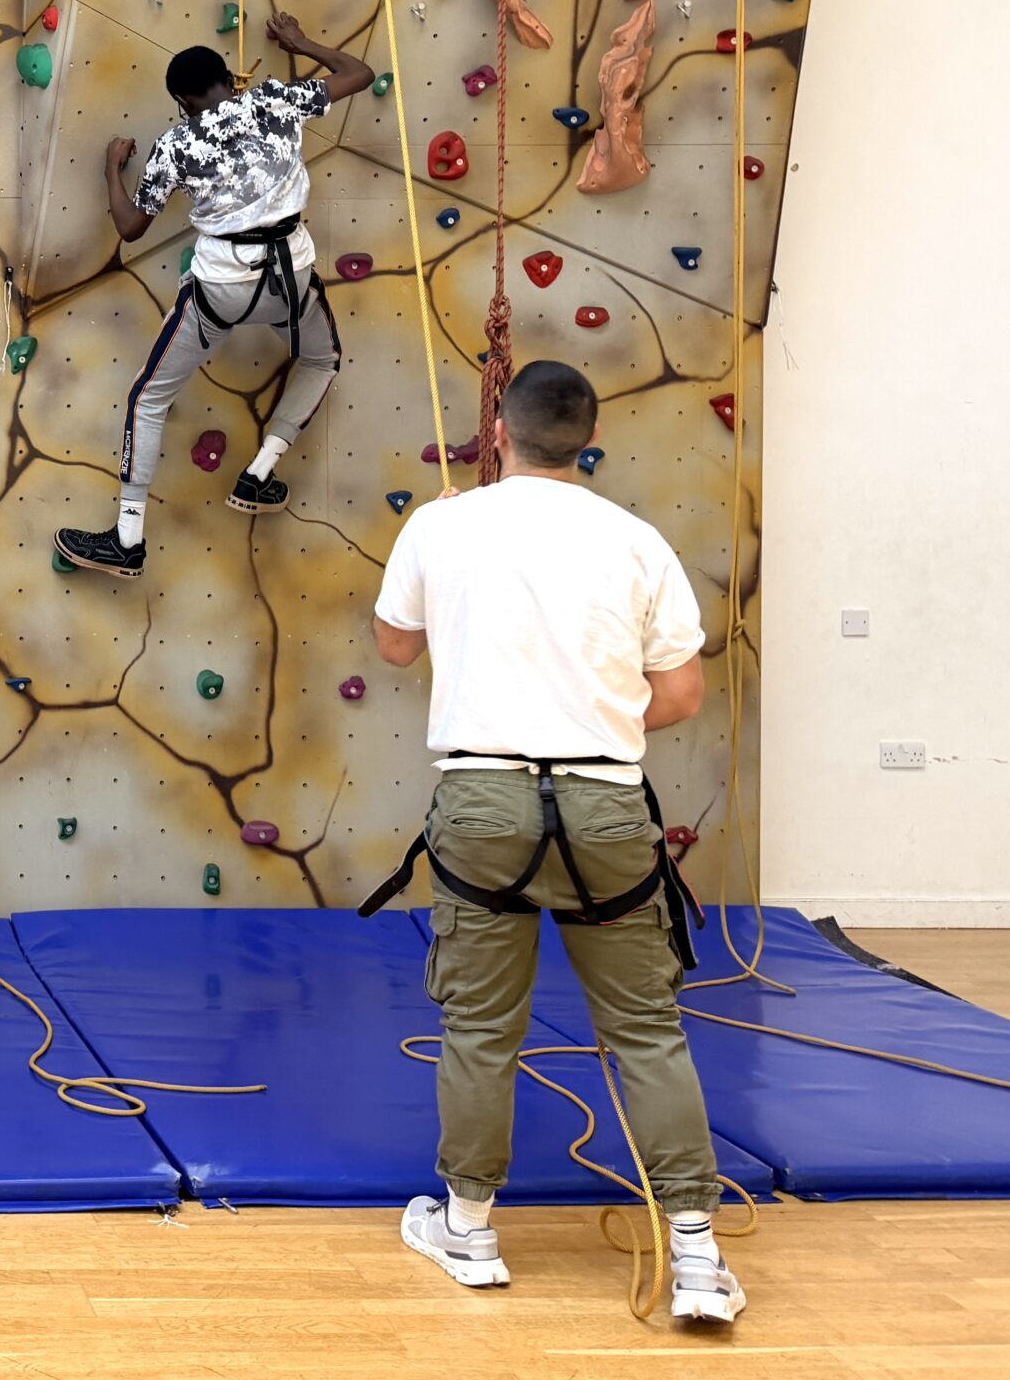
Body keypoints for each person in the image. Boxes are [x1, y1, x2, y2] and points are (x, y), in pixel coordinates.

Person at [364, 362, 742, 1325]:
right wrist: (593, 722)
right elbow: (684, 695)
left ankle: (471, 1229)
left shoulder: (443, 523)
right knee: (648, 1030)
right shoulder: (635, 541)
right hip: (606, 802)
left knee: (482, 1029)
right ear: (589, 435)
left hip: (483, 800)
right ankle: (696, 1258)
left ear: (499, 427)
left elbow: (394, 646)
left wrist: (439, 548)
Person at [55, 11, 372, 577]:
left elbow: (131, 228)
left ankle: (127, 540)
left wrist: (111, 170)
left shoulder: (175, 144)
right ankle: (258, 473)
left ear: (182, 101)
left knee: (146, 398)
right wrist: (300, 42)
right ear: (231, 77)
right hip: (290, 278)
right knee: (322, 361)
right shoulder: (277, 101)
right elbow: (359, 72)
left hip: (220, 289)